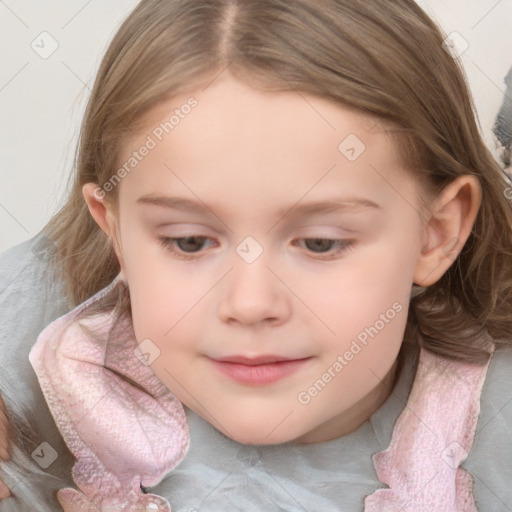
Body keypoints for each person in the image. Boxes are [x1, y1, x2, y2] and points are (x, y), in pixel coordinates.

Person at [1, 0, 512, 510]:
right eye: (189, 241)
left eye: (320, 243)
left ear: (436, 233)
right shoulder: (34, 361)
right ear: (114, 228)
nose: (249, 303)